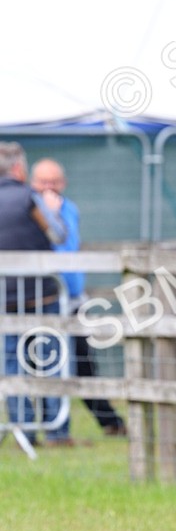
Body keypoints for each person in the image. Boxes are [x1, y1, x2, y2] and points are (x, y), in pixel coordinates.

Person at [30, 159, 127, 442]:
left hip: (73, 301)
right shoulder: (30, 210)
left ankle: (110, 422)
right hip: (43, 300)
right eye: (43, 182)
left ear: (64, 183)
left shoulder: (68, 209)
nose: (49, 188)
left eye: (55, 182)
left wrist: (55, 214)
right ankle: (50, 430)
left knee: (84, 364)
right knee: (42, 366)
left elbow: (68, 246)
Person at [0, 142, 66, 441]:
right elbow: (57, 233)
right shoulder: (30, 198)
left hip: (5, 299)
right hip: (42, 295)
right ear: (18, 168)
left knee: (12, 363)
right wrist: (54, 211)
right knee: (51, 359)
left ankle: (23, 430)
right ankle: (56, 430)